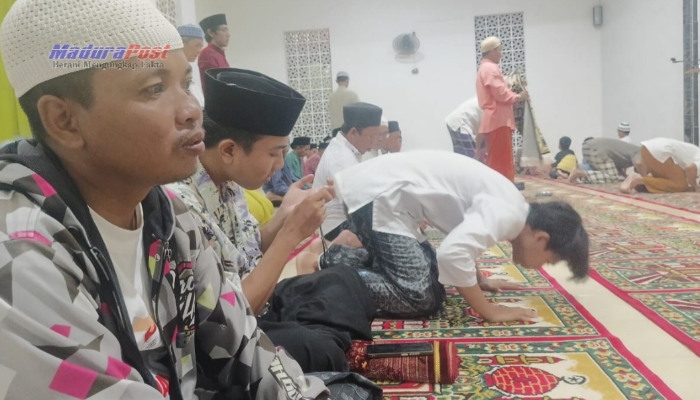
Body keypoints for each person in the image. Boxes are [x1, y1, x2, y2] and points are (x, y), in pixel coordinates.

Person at [0, 0, 332, 398]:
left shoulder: (168, 216)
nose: (192, 111)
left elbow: (246, 348)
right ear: (64, 120)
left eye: (186, 84)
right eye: (154, 88)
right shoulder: (20, 256)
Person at [168, 69, 373, 373]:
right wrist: (290, 234)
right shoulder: (180, 202)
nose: (279, 166)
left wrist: (284, 216)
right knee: (317, 348)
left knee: (343, 279)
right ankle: (331, 343)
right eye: (274, 153)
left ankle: (331, 340)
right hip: (228, 333)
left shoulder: (229, 181)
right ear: (229, 150)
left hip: (259, 301)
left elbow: (249, 249)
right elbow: (231, 319)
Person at [317, 151, 589, 320]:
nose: (541, 267)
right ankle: (325, 274)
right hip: (378, 198)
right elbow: (452, 254)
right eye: (548, 261)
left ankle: (339, 258)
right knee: (419, 297)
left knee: (436, 283)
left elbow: (463, 242)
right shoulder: (508, 215)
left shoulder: (513, 208)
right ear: (541, 239)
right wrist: (489, 311)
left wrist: (479, 280)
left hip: (390, 200)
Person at [313, 102, 383, 240]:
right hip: (334, 227)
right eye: (371, 136)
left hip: (346, 220)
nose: (374, 142)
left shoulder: (348, 150)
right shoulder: (341, 158)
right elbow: (360, 204)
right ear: (353, 132)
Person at [477, 37, 529, 181]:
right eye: (500, 50)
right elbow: (500, 93)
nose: (501, 54)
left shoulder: (486, 68)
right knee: (501, 161)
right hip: (498, 119)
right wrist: (518, 96)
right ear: (492, 51)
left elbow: (500, 87)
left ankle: (500, 188)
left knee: (497, 158)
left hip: (495, 119)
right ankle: (503, 188)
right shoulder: (490, 68)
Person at [621, 138, 700, 193]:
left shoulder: (696, 151)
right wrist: (695, 187)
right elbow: (690, 167)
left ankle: (638, 183)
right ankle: (638, 179)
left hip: (646, 148)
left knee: (664, 180)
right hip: (661, 152)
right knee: (681, 185)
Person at [568, 137, 641, 185]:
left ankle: (580, 173)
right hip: (598, 150)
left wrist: (624, 176)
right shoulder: (640, 151)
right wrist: (643, 178)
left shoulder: (630, 151)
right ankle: (580, 173)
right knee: (613, 177)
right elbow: (639, 163)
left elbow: (615, 166)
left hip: (588, 147)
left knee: (609, 175)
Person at [198, 14, 230, 93]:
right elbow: (215, 85)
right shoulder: (207, 54)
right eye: (224, 30)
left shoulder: (220, 54)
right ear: (211, 32)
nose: (228, 35)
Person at [177, 24, 206, 107]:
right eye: (197, 45)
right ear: (181, 42)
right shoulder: (174, 71)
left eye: (201, 47)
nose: (199, 51)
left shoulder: (187, 68)